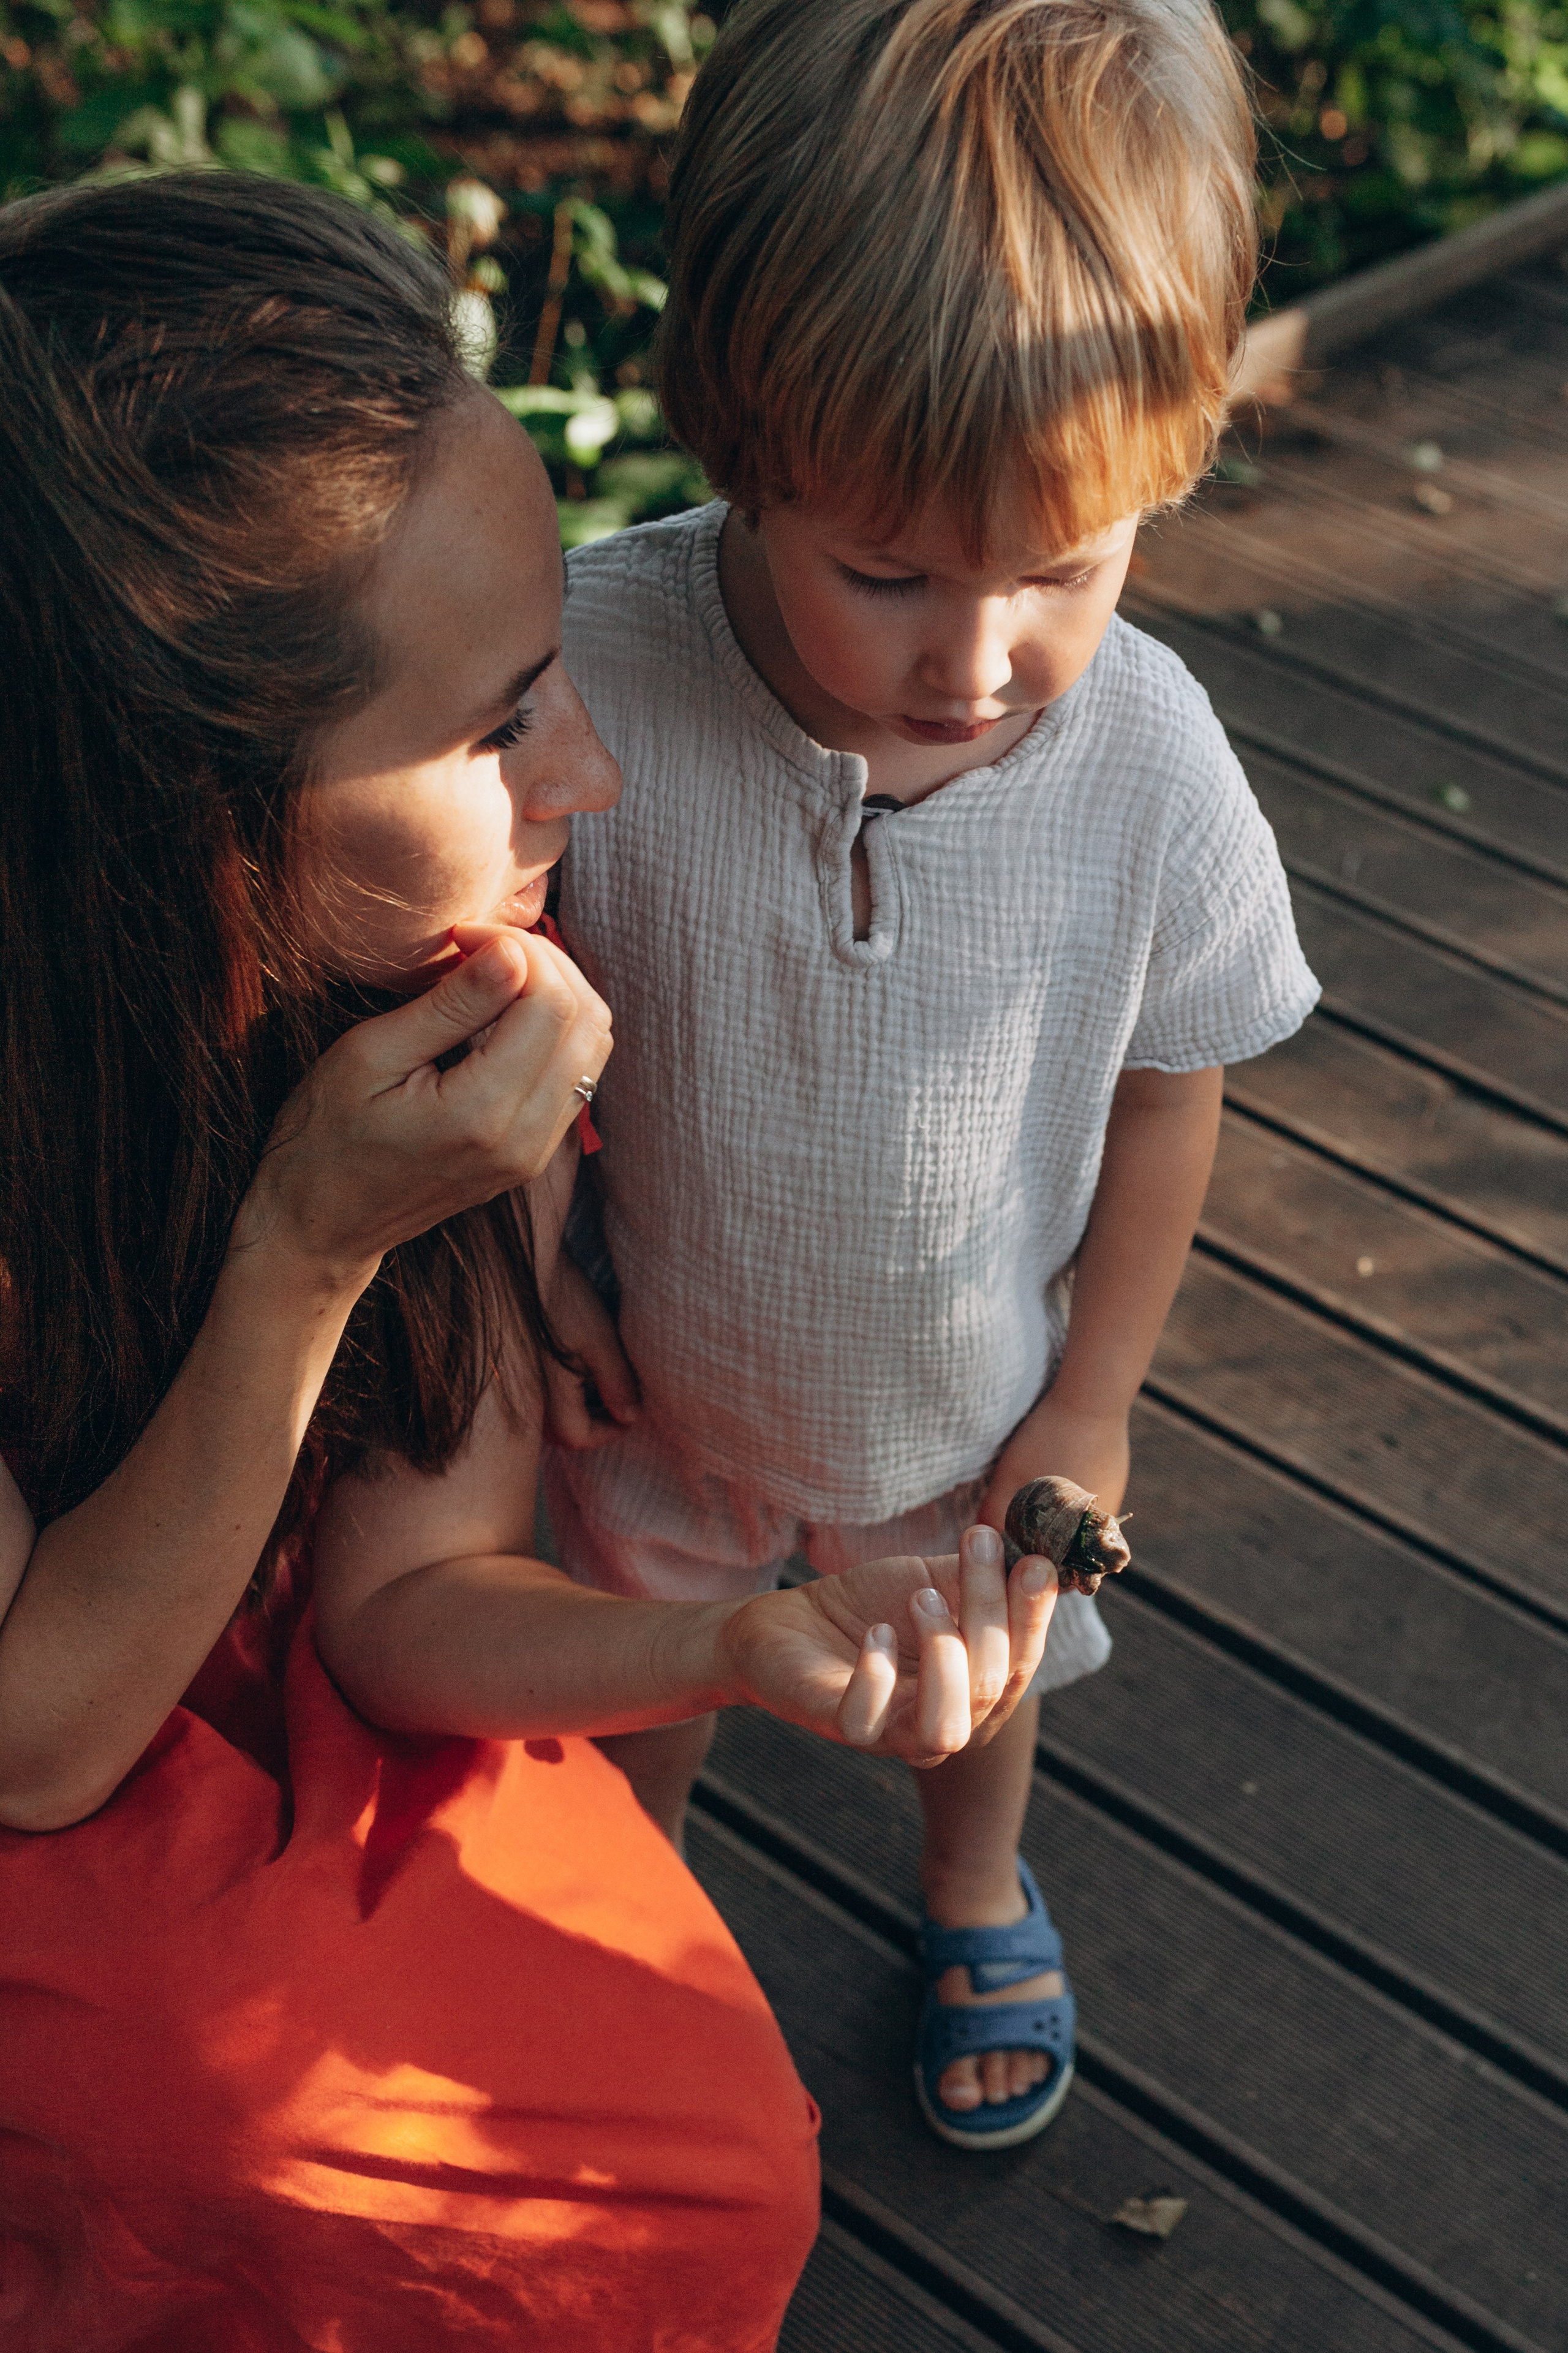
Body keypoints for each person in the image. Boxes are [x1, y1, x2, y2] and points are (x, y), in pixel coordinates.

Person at [0, 173, 1062, 2351]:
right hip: (64, 1719)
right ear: (183, 817)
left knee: (694, 2167)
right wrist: (304, 1248)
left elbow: (406, 1603)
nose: (584, 765)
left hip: (300, 1694)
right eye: (495, 727)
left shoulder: (421, 989)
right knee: (252, 2159)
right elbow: (32, 1749)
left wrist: (748, 1649)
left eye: (555, 669)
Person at [541, 0, 1321, 2152]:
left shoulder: (1145, 755)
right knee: (653, 1674)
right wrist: (542, 1265)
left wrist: (1094, 1401)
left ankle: (971, 1882)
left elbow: (1175, 1081)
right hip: (664, 1376)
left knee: (981, 1689)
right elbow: (508, 986)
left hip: (972, 1412)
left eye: (1064, 568)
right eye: (884, 571)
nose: (975, 662)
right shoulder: (600, 659)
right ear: (743, 433)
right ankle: (641, 1913)